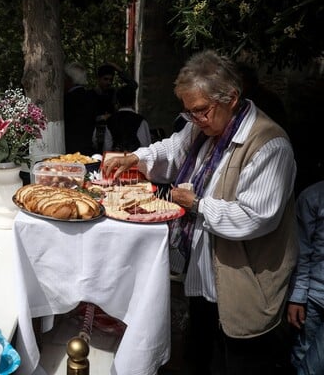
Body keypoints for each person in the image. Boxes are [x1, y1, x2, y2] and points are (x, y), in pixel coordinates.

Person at [104, 50, 298, 375]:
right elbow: (172, 149)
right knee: (199, 359)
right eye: (189, 113)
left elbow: (254, 217)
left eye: (201, 111)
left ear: (231, 98)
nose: (195, 120)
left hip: (245, 288)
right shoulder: (204, 128)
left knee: (236, 363)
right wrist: (134, 159)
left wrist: (197, 204)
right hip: (206, 279)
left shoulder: (269, 145)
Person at [287, 180, 324, 375]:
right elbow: (301, 250)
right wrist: (297, 296)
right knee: (300, 357)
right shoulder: (313, 196)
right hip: (313, 297)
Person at [103, 80, 152, 152]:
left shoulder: (110, 120)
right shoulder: (140, 120)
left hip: (116, 160)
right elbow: (146, 145)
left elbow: (107, 147)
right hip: (135, 160)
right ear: (134, 101)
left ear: (118, 101)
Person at [63, 62, 95, 156]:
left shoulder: (66, 100)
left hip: (69, 152)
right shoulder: (91, 97)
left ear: (69, 79)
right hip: (87, 149)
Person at [89, 63, 120, 152]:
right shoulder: (90, 95)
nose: (108, 82)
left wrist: (117, 68)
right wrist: (102, 117)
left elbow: (133, 85)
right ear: (98, 79)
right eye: (105, 79)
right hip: (94, 136)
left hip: (110, 135)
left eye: (110, 80)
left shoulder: (112, 93)